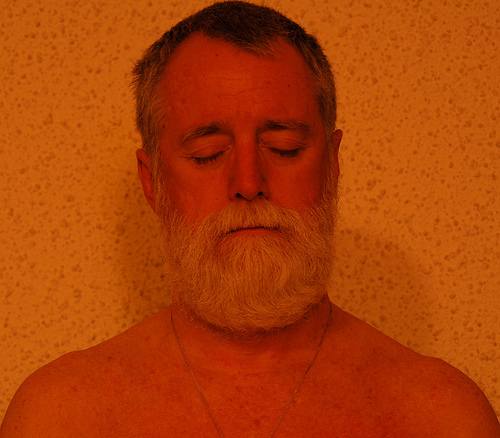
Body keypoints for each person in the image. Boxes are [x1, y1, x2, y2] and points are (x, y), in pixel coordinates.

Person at [1, 1, 499, 436]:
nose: (248, 181)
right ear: (152, 183)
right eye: (208, 154)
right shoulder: (60, 416)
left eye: (284, 147)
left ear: (332, 165)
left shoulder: (442, 417)